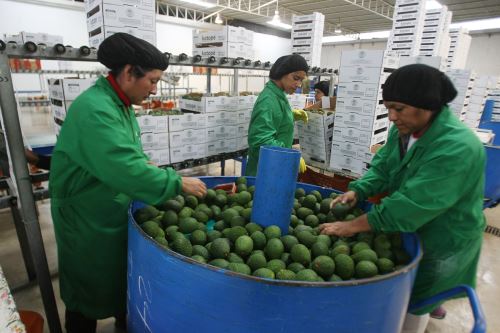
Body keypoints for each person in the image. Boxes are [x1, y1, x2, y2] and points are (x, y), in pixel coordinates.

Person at [49, 33, 207, 333]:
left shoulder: (119, 104)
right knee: (85, 292)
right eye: (152, 80)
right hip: (85, 219)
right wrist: (176, 182)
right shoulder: (95, 109)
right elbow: (124, 168)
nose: (154, 88)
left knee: (115, 282)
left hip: (108, 208)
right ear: (128, 72)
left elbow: (127, 154)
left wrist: (145, 164)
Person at [319, 64, 485, 333]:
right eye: (388, 107)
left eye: (398, 108)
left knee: (414, 304)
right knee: (401, 294)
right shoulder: (404, 130)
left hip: (443, 238)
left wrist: (350, 226)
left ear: (426, 104)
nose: (392, 116)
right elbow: (384, 167)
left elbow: (411, 205)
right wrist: (358, 190)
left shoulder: (459, 147)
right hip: (407, 229)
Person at [246, 54, 309, 176]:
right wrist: (289, 155)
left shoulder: (278, 95)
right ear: (282, 72)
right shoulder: (268, 100)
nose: (299, 84)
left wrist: (290, 115)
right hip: (264, 173)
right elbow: (261, 141)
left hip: (274, 166)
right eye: (296, 78)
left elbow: (274, 117)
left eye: (301, 80)